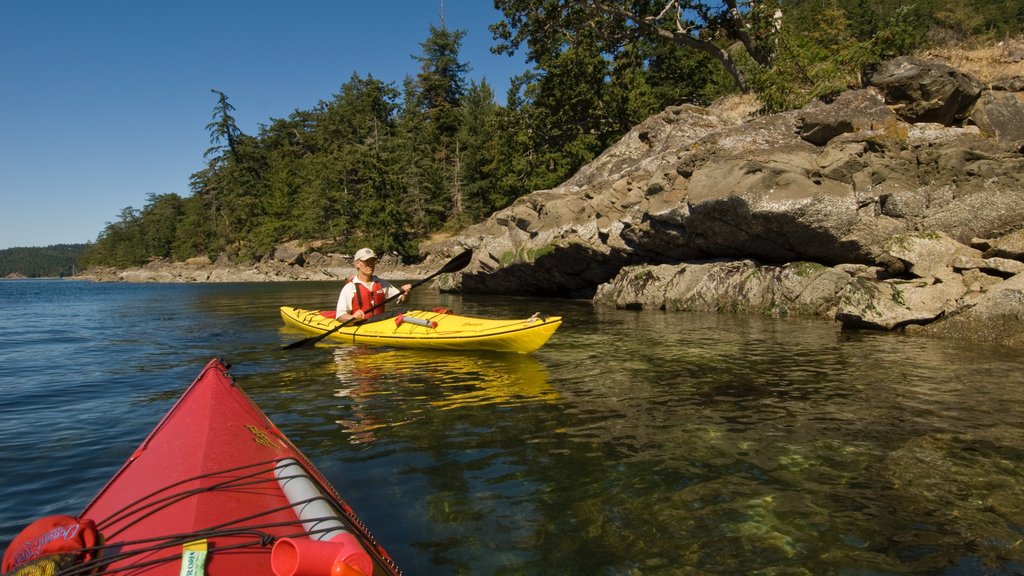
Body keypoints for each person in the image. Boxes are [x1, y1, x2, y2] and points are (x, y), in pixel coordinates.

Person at [335, 248, 412, 323]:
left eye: (373, 261)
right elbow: (340, 316)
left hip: (380, 323)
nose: (371, 264)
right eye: (367, 261)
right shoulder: (349, 288)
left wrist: (406, 293)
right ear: (357, 264)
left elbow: (403, 300)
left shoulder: (382, 283)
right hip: (361, 325)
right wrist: (353, 317)